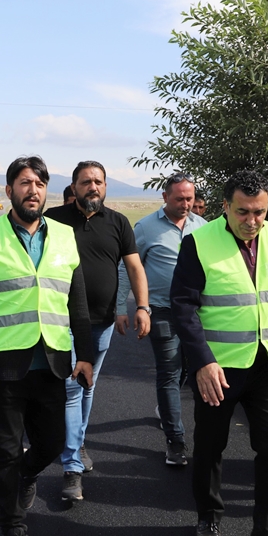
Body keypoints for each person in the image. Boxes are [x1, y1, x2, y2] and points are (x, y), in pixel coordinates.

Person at [0, 156, 94, 536]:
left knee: (52, 442)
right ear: (9, 191)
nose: (33, 190)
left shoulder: (65, 237)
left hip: (52, 363)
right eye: (24, 183)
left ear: (46, 191)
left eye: (39, 183)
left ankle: (26, 474)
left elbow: (78, 304)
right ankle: (12, 524)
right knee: (4, 450)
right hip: (5, 366)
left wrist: (85, 356)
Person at [169, 170, 268, 536]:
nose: (252, 220)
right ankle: (208, 514)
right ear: (225, 206)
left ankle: (266, 530)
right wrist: (202, 361)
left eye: (259, 212)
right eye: (243, 212)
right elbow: (183, 307)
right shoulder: (199, 242)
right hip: (218, 368)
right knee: (210, 447)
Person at [45, 161, 150, 502]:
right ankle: (72, 467)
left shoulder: (118, 223)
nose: (93, 187)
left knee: (87, 386)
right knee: (72, 388)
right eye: (86, 181)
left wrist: (142, 307)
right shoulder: (54, 220)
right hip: (63, 321)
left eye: (99, 181)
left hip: (101, 322)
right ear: (74, 186)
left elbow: (134, 267)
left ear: (106, 186)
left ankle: (76, 442)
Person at [117, 173, 206, 466]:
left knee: (187, 369)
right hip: (161, 310)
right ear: (165, 197)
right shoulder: (145, 228)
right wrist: (122, 307)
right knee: (169, 371)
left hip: (195, 312)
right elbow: (128, 267)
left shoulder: (202, 227)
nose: (186, 204)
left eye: (190, 199)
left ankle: (167, 409)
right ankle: (175, 440)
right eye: (179, 199)